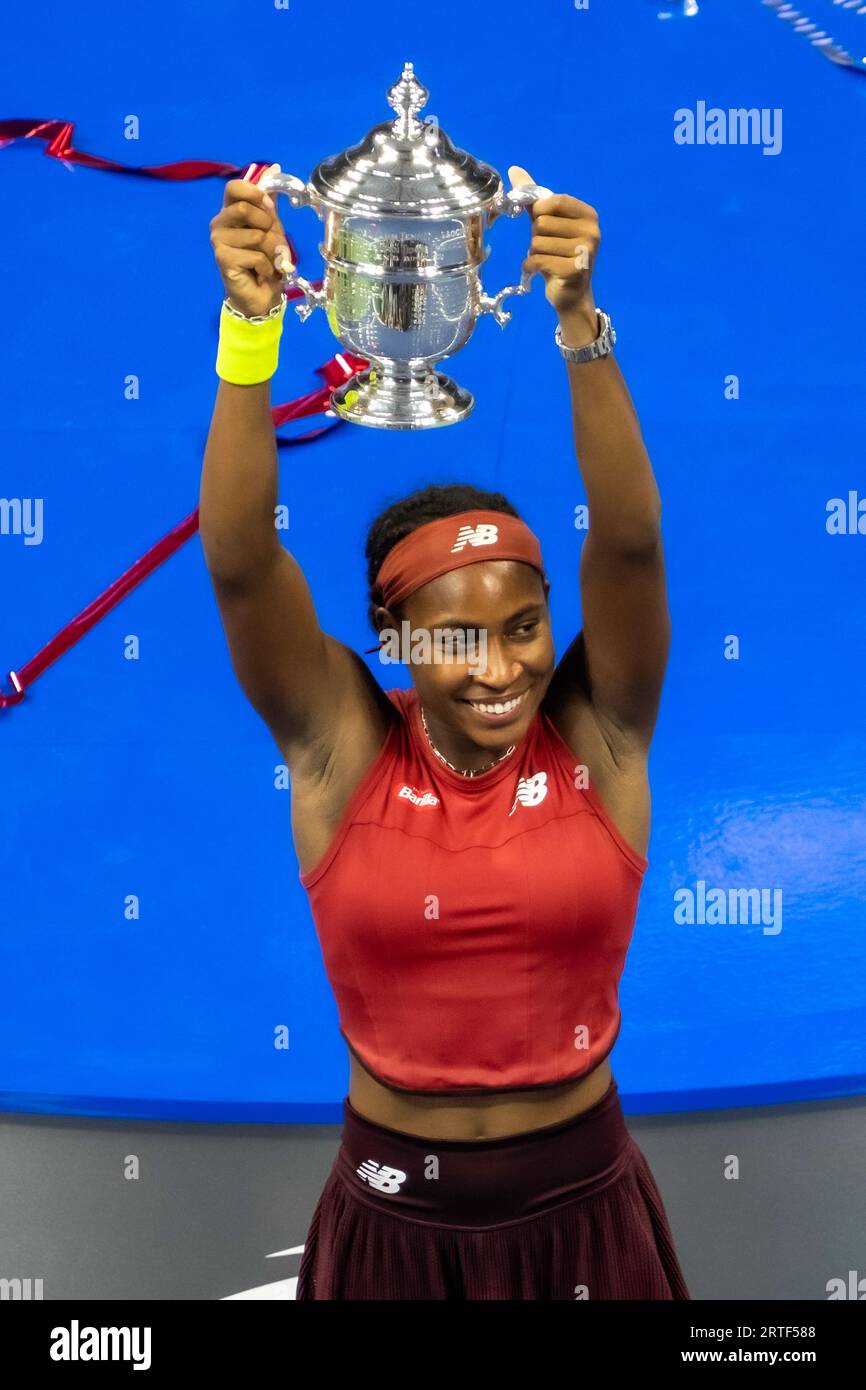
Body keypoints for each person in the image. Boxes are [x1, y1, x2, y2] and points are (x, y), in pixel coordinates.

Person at [200, 162, 690, 1301]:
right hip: (391, 1222)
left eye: (524, 628)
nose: (502, 666)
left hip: (584, 1218)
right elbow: (236, 561)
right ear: (393, 639)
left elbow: (627, 542)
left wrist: (579, 329)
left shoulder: (600, 733)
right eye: (457, 638)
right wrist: (247, 329)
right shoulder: (340, 747)